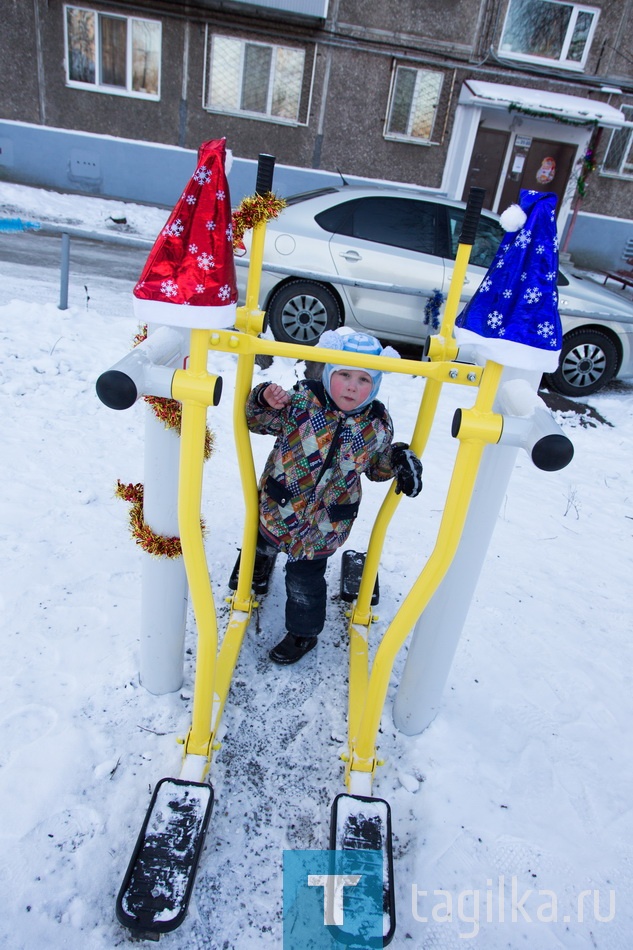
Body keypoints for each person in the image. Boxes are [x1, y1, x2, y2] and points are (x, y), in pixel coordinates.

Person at [244, 330, 423, 665]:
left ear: (377, 385)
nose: (352, 386)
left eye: (363, 379)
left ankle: (303, 633)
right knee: (261, 543)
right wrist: (264, 401)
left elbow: (376, 467)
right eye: (343, 375)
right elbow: (257, 421)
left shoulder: (377, 424)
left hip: (324, 524)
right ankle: (258, 568)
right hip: (279, 505)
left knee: (304, 582)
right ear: (328, 373)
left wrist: (397, 459)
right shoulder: (302, 402)